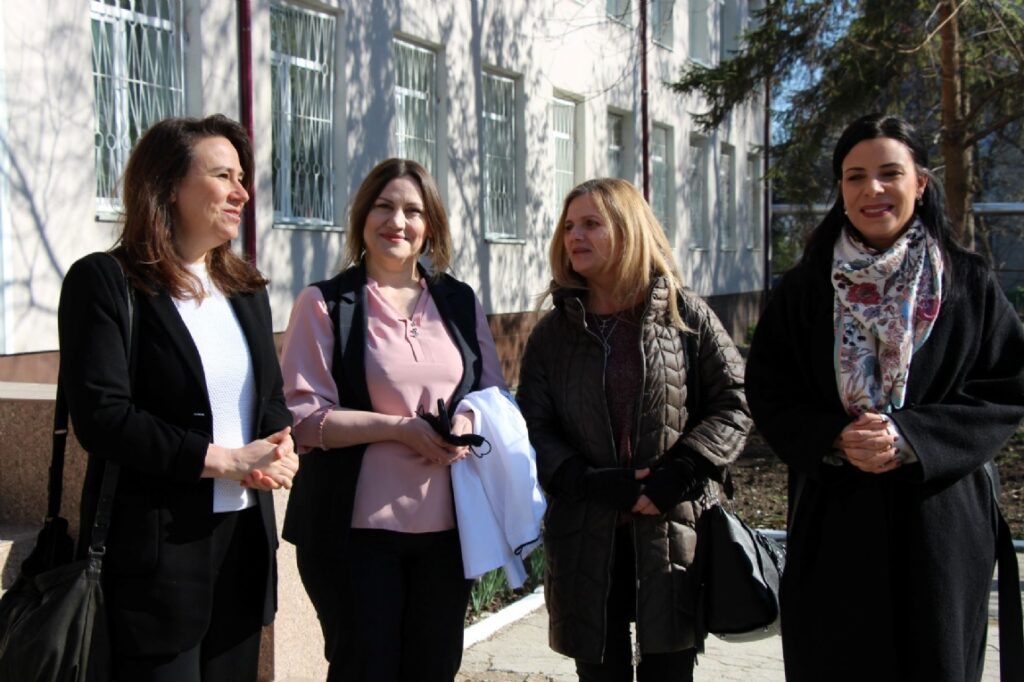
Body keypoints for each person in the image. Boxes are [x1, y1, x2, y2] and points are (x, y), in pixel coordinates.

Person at [745, 114, 1024, 681]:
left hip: (940, 524)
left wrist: (912, 437)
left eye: (889, 173)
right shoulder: (803, 290)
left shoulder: (968, 283)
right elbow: (769, 389)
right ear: (841, 190)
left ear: (920, 182)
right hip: (835, 519)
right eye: (854, 177)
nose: (872, 189)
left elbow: (1005, 386)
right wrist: (832, 436)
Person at [57, 114, 298, 681]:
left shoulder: (246, 291)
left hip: (242, 545)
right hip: (156, 557)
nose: (242, 192)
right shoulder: (107, 283)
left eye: (243, 177)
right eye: (223, 176)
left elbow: (270, 402)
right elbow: (104, 418)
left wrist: (280, 449)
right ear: (167, 186)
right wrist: (224, 461)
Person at [279, 158, 507, 682]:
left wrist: (465, 422)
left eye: (412, 210)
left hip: (449, 535)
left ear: (430, 226)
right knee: (366, 669)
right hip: (354, 536)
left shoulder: (457, 299)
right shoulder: (326, 304)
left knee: (433, 669)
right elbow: (305, 420)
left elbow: (492, 394)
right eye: (384, 206)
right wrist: (399, 429)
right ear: (363, 216)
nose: (396, 221)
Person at [516, 178, 751, 682]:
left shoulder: (683, 314)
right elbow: (532, 426)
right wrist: (585, 480)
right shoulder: (553, 334)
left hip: (671, 536)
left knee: (669, 673)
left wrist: (682, 471)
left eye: (591, 224)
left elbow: (735, 401)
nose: (574, 235)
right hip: (585, 534)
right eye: (569, 225)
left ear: (629, 230)